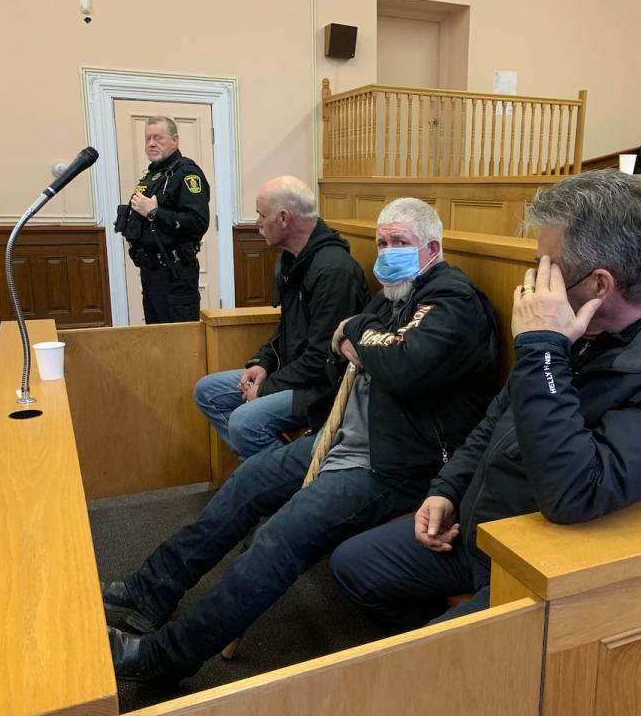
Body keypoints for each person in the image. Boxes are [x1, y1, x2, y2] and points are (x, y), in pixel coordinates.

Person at [104, 197, 500, 682]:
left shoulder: (454, 299)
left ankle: (163, 658)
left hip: (394, 465)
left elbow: (397, 360)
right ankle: (152, 590)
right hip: (342, 440)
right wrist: (364, 335)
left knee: (277, 539)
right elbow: (344, 348)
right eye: (382, 243)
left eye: (401, 243)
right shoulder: (395, 293)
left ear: (432, 248)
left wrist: (358, 332)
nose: (387, 252)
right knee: (246, 482)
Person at [330, 170, 641, 628]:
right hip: (482, 526)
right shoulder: (583, 322)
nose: (536, 286)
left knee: (425, 665)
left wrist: (543, 349)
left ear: (600, 285)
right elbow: (499, 416)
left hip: (544, 563)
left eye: (549, 270)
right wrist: (447, 490)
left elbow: (575, 492)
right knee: (353, 566)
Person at [194, 176, 370, 459]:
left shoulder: (335, 271)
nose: (257, 223)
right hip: (293, 373)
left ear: (284, 218)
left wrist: (266, 388)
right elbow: (287, 330)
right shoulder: (292, 258)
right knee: (207, 391)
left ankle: (280, 481)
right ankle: (262, 473)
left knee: (244, 422)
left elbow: (323, 359)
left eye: (262, 215)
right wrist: (261, 363)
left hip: (324, 388)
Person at [119, 116, 211, 324]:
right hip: (151, 273)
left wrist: (154, 212)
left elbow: (198, 222)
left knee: (179, 341)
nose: (151, 143)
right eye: (147, 138)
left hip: (175, 273)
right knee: (157, 339)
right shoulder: (152, 176)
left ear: (175, 140)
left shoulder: (186, 173)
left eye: (158, 138)